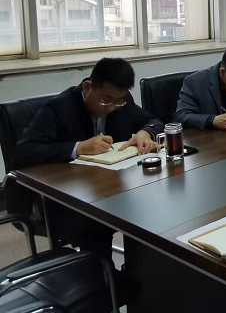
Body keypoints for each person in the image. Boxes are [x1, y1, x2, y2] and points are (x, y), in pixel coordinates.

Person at [12, 58, 162, 272]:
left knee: (147, 208)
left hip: (106, 188)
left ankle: (139, 275)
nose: (112, 107)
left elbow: (153, 121)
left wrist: (145, 132)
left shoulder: (120, 101)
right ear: (87, 87)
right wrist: (78, 147)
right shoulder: (59, 108)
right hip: (61, 198)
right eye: (106, 100)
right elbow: (24, 151)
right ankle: (104, 280)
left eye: (118, 101)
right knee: (97, 224)